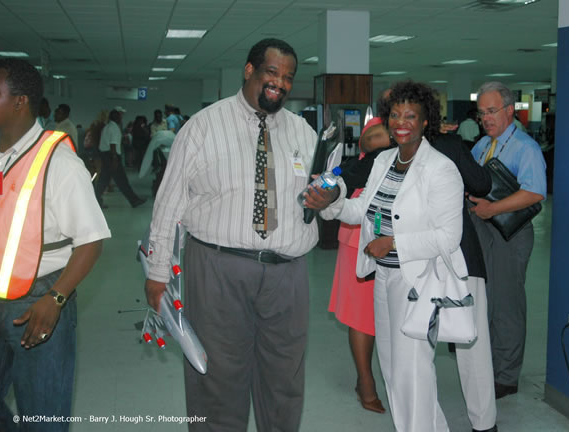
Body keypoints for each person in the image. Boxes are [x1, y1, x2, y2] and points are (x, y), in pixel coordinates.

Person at [144, 38, 338, 432]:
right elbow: (169, 203)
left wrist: (331, 196)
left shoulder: (303, 133)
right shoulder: (203, 127)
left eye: (287, 78)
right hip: (218, 267)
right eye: (272, 73)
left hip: (287, 274)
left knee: (285, 378)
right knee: (216, 377)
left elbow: (331, 199)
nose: (279, 84)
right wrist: (157, 270)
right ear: (249, 70)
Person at [308, 80, 465, 431]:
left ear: (426, 122)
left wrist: (393, 243)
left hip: (418, 281)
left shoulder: (440, 169)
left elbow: (449, 237)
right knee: (393, 368)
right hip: (383, 277)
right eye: (395, 115)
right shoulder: (384, 161)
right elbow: (363, 209)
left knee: (414, 372)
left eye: (411, 115)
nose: (401, 122)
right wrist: (332, 202)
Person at [0, 58, 110, 432]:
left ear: (19, 101)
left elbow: (92, 240)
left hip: (39, 302)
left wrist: (57, 298)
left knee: (42, 416)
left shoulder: (59, 162)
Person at [468, 82, 546, 400]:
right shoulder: (483, 145)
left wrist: (492, 209)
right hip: (483, 229)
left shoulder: (525, 148)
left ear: (509, 110)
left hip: (509, 234)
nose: (486, 118)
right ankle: (489, 367)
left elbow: (534, 192)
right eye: (481, 112)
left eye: (492, 111)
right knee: (485, 301)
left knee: (506, 305)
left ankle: (506, 376)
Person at [430, 132, 497, 432]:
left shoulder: (393, 147)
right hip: (457, 253)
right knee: (473, 340)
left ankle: (423, 420)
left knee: (416, 342)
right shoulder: (450, 145)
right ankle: (484, 423)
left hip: (416, 259)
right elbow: (482, 183)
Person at [329, 117, 393, 415]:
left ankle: (396, 381)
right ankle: (365, 382)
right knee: (361, 316)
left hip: (394, 243)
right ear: (362, 140)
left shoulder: (402, 161)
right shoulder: (353, 165)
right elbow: (333, 178)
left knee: (391, 315)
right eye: (374, 133)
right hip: (356, 242)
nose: (381, 137)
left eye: (386, 132)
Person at [94, 107, 146, 209]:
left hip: (105, 155)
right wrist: (114, 159)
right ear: (117, 118)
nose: (121, 117)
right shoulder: (114, 128)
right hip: (111, 156)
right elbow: (113, 144)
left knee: (103, 180)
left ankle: (94, 201)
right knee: (122, 180)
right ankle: (134, 200)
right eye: (120, 115)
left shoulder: (107, 127)